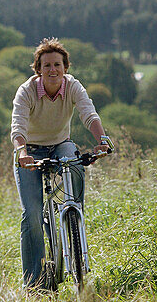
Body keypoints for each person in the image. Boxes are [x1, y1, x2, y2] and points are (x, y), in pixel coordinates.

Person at [11, 37, 112, 288]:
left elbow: (88, 114)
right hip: (30, 152)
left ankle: (74, 216)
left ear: (65, 67)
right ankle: (34, 282)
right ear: (38, 70)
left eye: (57, 64)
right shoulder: (26, 91)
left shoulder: (73, 87)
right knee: (32, 215)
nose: (53, 70)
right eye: (47, 66)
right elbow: (18, 126)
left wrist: (102, 139)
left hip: (60, 144)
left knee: (75, 162)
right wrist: (21, 152)